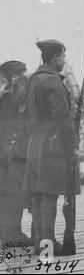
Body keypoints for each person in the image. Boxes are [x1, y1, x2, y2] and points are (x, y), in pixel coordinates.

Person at [24, 39, 79, 255]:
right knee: (49, 194)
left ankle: (40, 241)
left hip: (35, 143)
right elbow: (63, 119)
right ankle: (48, 242)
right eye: (63, 57)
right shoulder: (53, 82)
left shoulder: (33, 80)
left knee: (38, 194)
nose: (64, 62)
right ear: (55, 57)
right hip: (52, 145)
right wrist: (72, 146)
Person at [0, 61, 32, 246]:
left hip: (11, 153)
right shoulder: (8, 98)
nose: (25, 77)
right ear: (14, 76)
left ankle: (11, 232)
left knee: (13, 193)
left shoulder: (12, 96)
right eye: (22, 73)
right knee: (13, 194)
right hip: (10, 154)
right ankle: (12, 235)